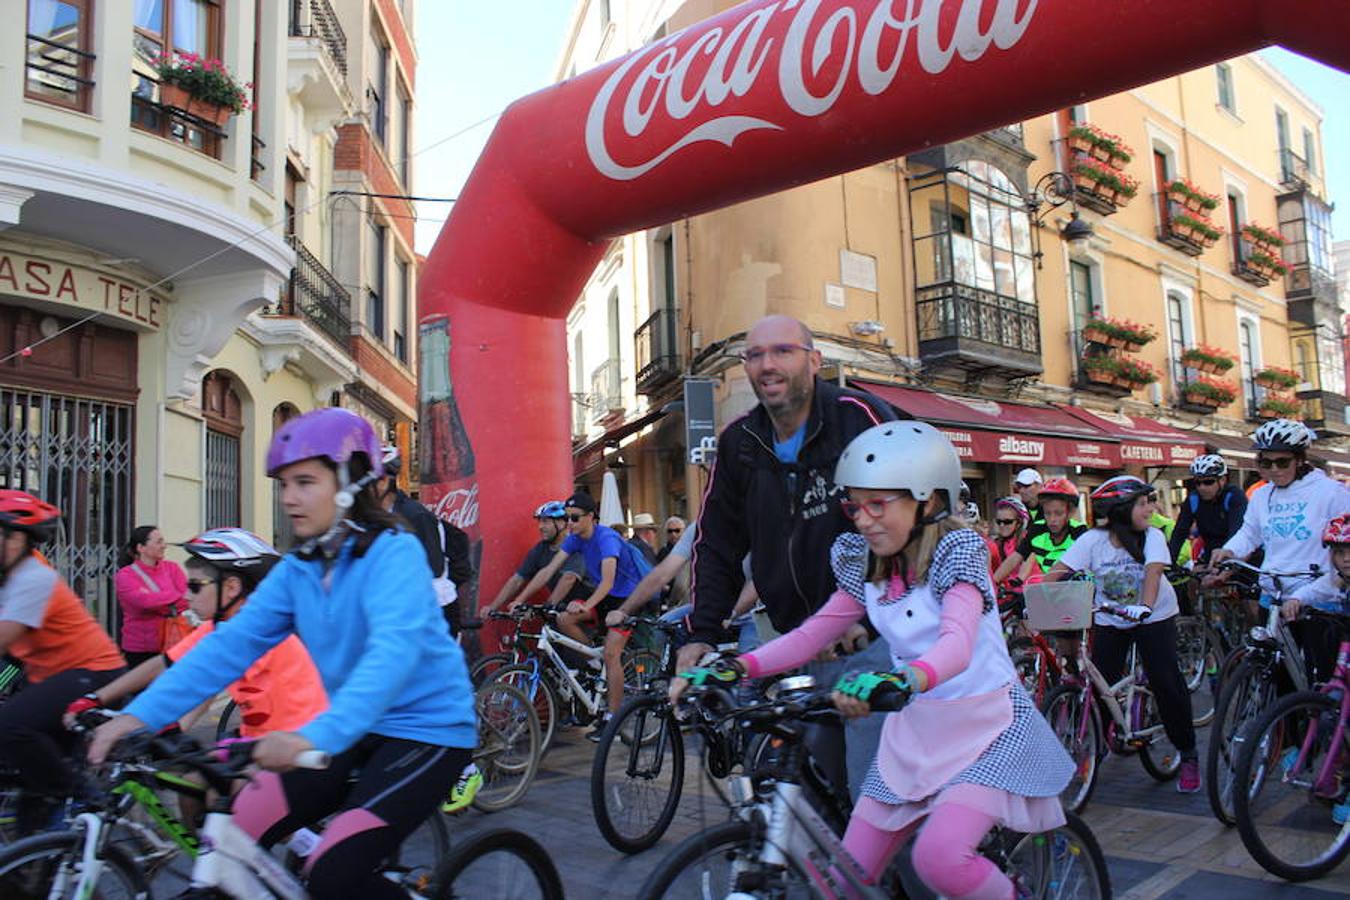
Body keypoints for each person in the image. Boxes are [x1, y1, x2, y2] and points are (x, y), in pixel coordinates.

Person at [88, 407, 477, 900]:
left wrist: (310, 735)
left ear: (350, 482)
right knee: (227, 843)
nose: (289, 498)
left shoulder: (393, 553)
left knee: (334, 876)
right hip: (347, 727)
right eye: (283, 484)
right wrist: (136, 718)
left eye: (305, 482)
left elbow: (390, 657)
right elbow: (228, 646)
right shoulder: (300, 569)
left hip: (426, 732)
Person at [675, 422, 1072, 899]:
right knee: (846, 877)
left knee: (939, 859)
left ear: (927, 501)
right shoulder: (865, 560)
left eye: (878, 504)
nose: (862, 520)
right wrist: (738, 666)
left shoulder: (957, 551)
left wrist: (904, 677)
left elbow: (957, 643)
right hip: (916, 734)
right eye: (855, 506)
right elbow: (812, 633)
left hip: (987, 729)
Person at [678, 314, 896, 796]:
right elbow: (717, 542)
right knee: (805, 794)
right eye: (754, 355)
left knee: (872, 801)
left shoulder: (858, 417)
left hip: (874, 641)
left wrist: (868, 615)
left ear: (814, 360)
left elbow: (910, 517)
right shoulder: (741, 443)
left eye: (782, 351)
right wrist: (702, 633)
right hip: (797, 641)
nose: (767, 365)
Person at [1047, 475, 1200, 792]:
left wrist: (1143, 606)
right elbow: (1059, 572)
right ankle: (1097, 749)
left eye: (1150, 502)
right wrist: (1031, 594)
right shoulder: (1092, 540)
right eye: (1143, 503)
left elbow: (1153, 573)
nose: (1150, 509)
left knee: (1165, 681)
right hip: (1111, 618)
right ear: (1121, 509)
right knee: (1100, 684)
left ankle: (1187, 753)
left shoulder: (1153, 537)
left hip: (1153, 616)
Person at [0, 490, 125, 833]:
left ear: (18, 539)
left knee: (11, 724)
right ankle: (31, 876)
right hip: (56, 677)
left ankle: (82, 792)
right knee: (32, 789)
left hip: (93, 674)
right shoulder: (9, 579)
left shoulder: (32, 578)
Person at [513, 490, 650, 738]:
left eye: (575, 518)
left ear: (591, 517)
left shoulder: (606, 538)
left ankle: (612, 717)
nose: (570, 524)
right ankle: (593, 662)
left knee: (612, 653)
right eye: (567, 518)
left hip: (627, 598)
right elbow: (548, 570)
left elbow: (608, 581)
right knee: (564, 618)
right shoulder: (575, 539)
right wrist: (519, 601)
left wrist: (586, 605)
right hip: (603, 595)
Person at [1210, 419, 1350, 601]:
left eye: (1282, 462)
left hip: (1318, 597)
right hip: (1272, 593)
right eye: (1266, 463)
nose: (1274, 469)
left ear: (1300, 460)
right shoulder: (1261, 495)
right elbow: (1249, 533)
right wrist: (1229, 551)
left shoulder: (1332, 492)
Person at [377, 446, 472, 636]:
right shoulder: (377, 516)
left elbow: (433, 568)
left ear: (385, 481)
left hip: (434, 614)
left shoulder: (415, 516)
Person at [483, 501, 588, 614]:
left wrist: (548, 606)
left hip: (587, 606)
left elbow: (568, 579)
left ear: (562, 523)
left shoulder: (576, 545)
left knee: (564, 621)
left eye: (546, 522)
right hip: (561, 608)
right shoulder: (541, 548)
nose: (540, 527)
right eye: (540, 522)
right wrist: (493, 607)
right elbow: (517, 579)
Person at [115, 524, 189, 668]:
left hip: (172, 641)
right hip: (140, 648)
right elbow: (143, 602)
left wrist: (157, 599)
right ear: (141, 548)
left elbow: (186, 599)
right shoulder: (125, 575)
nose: (164, 546)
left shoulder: (171, 568)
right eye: (158, 542)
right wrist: (172, 599)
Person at [991, 477, 1085, 584]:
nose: (1052, 520)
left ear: (1070, 513)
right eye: (1047, 513)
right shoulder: (1037, 529)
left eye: (1058, 513)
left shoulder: (1080, 532)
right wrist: (993, 584)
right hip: (1049, 591)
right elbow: (1015, 558)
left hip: (1077, 590)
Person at [1170, 454, 1246, 566]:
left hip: (1237, 554)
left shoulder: (1234, 496)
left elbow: (1236, 532)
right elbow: (1180, 532)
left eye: (1208, 482)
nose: (1202, 487)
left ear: (1223, 480)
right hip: (1210, 554)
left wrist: (1223, 564)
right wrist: (1169, 562)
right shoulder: (1193, 499)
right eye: (1197, 483)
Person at [989, 497, 1030, 610]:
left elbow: (1028, 562)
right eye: (999, 522)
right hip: (1008, 596)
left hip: (1031, 595)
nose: (1002, 525)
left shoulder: (1027, 540)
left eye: (1007, 522)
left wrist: (1019, 579)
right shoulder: (997, 543)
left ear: (1019, 523)